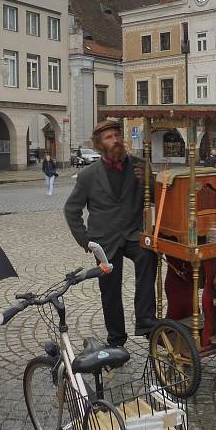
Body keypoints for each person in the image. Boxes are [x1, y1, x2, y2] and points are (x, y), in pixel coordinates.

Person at [64, 120, 157, 348]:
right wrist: (85, 241)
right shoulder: (88, 175)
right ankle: (116, 339)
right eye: (109, 137)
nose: (115, 140)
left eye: (117, 135)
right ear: (99, 144)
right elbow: (71, 209)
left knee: (148, 256)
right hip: (104, 240)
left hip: (133, 234)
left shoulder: (139, 165)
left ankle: (145, 320)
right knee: (110, 290)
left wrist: (149, 181)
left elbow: (156, 198)